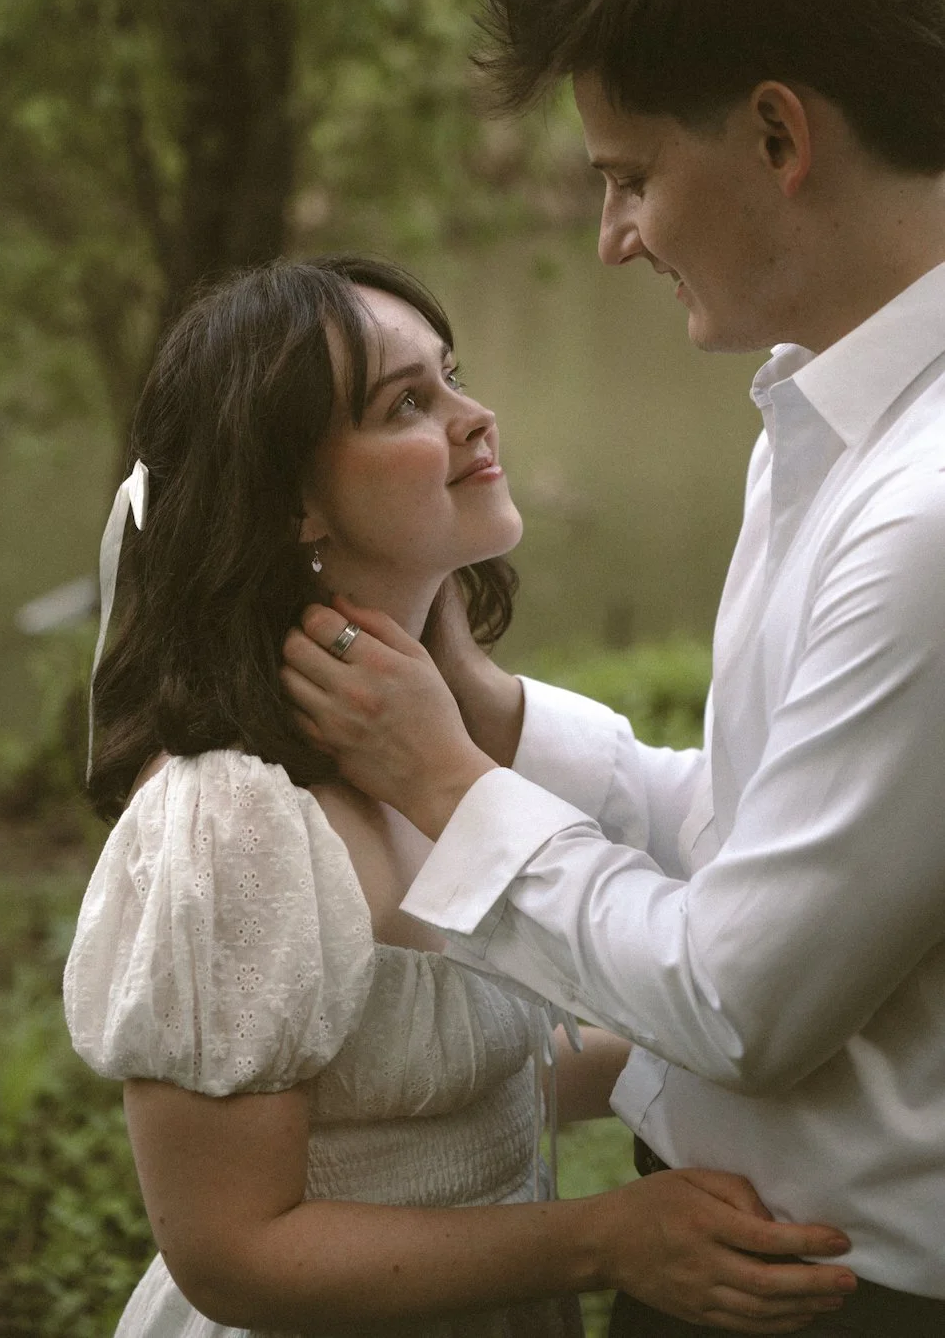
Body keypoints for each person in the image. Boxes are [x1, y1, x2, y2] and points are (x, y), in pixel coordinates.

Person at [279, 0, 945, 1336]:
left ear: (776, 134)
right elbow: (776, 832)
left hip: (844, 1301)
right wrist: (498, 721)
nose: (613, 237)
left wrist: (446, 786)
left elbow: (736, 1001)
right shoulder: (827, 419)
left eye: (632, 177)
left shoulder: (924, 510)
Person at [63, 255, 858, 1338]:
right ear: (293, 502)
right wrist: (604, 1237)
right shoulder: (236, 818)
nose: (474, 417)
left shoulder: (429, 753)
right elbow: (231, 1253)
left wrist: (802, 1049)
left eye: (453, 377)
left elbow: (452, 1075)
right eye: (406, 403)